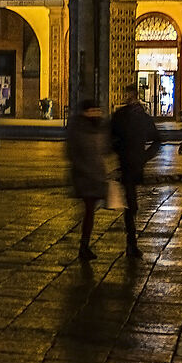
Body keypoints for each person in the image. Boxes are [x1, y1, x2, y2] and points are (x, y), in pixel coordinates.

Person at [107, 94, 160, 256]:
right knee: (132, 203)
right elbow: (110, 137)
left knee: (132, 204)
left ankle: (131, 242)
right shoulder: (126, 117)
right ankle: (131, 243)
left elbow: (157, 139)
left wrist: (143, 155)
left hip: (132, 164)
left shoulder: (135, 117)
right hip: (130, 165)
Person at [65, 99, 111, 260]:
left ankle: (84, 245)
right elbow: (72, 154)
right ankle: (83, 247)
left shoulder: (99, 128)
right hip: (84, 177)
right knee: (89, 212)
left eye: (97, 110)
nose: (96, 113)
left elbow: (104, 149)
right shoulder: (78, 129)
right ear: (85, 111)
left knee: (90, 213)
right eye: (92, 110)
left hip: (97, 176)